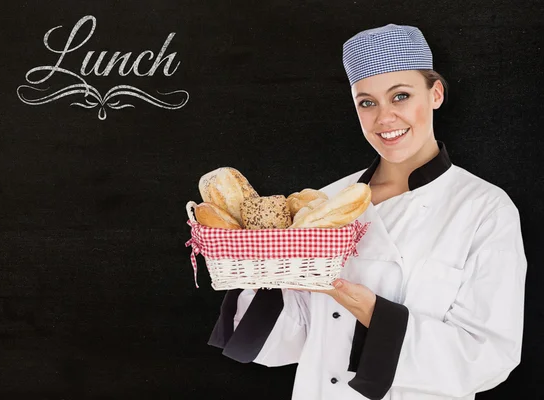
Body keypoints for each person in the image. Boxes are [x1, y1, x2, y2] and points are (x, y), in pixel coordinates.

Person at [207, 23, 528, 400]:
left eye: (401, 96)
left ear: (436, 93)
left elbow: (491, 357)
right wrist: (264, 273)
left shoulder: (484, 209)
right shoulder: (323, 202)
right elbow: (294, 339)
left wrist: (376, 315)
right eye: (367, 102)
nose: (384, 118)